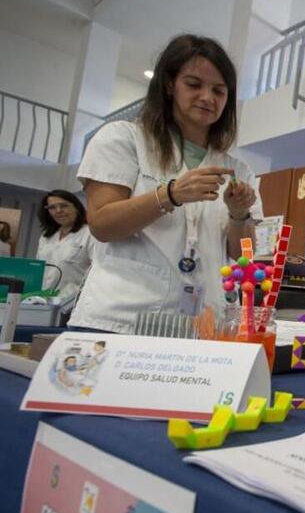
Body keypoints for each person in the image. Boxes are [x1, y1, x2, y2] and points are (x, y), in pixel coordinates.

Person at [71, 34, 261, 333]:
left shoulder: (238, 169)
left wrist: (239, 214)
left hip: (203, 323)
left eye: (219, 91)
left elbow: (245, 257)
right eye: (194, 84)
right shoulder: (123, 138)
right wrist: (170, 195)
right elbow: (102, 224)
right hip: (121, 319)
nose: (208, 98)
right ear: (170, 85)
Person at [35, 190, 96, 298]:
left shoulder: (90, 234)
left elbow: (96, 272)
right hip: (42, 299)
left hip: (70, 302)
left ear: (76, 207)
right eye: (52, 207)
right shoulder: (46, 236)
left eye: (64, 206)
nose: (58, 211)